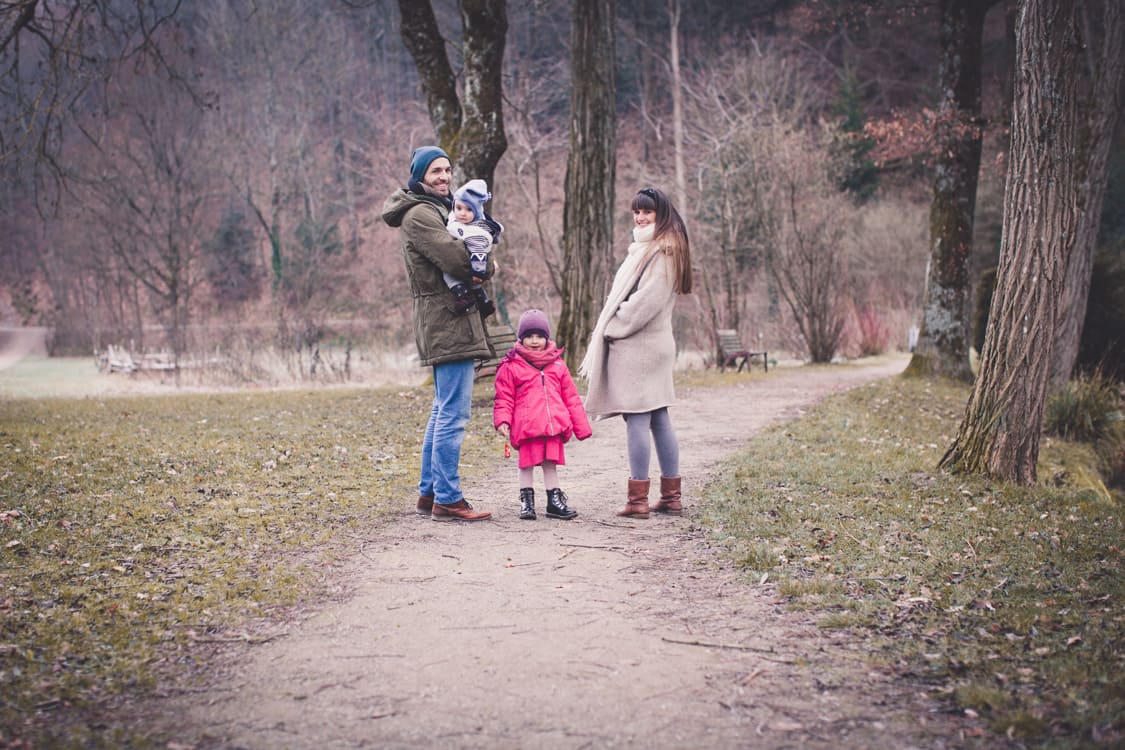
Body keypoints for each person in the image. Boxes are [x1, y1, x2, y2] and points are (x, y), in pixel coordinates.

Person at [381, 145, 493, 522]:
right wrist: (482, 258)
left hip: (447, 318)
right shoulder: (420, 215)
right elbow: (462, 260)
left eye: (447, 170)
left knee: (442, 409)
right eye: (435, 172)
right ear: (419, 177)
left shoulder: (438, 210)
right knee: (454, 413)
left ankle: (430, 493)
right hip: (446, 320)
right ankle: (448, 497)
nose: (444, 177)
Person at [579, 187, 693, 519]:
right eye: (636, 212)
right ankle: (671, 496)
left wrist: (612, 327)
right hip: (650, 344)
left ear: (661, 214)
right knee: (657, 417)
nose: (641, 217)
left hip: (640, 345)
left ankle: (638, 499)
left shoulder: (662, 252)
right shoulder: (654, 247)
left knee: (638, 418)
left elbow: (646, 302)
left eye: (647, 212)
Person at [493, 309, 592, 521]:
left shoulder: (557, 365)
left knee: (550, 464)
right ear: (521, 338)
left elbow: (571, 397)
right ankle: (526, 502)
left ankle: (554, 501)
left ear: (547, 338)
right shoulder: (511, 365)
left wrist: (581, 426)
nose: (534, 341)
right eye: (529, 336)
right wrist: (502, 420)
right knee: (526, 464)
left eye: (539, 336)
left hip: (553, 425)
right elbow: (504, 397)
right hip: (527, 426)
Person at [445, 179, 501, 317]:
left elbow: (479, 252)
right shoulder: (455, 220)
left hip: (472, 264)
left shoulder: (477, 231)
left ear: (476, 212)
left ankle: (463, 297)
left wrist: (478, 271)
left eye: (469, 210)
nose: (462, 213)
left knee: (448, 275)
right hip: (465, 260)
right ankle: (484, 302)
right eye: (459, 208)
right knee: (475, 287)